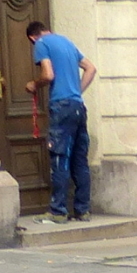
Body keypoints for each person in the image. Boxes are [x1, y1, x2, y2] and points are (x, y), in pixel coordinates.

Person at [27, 18, 97, 223]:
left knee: (59, 157)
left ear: (32, 37)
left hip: (61, 107)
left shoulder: (41, 44)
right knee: (79, 159)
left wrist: (34, 84)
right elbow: (90, 68)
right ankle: (82, 210)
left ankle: (58, 211)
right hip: (78, 107)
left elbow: (48, 75)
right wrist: (77, 91)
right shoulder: (67, 42)